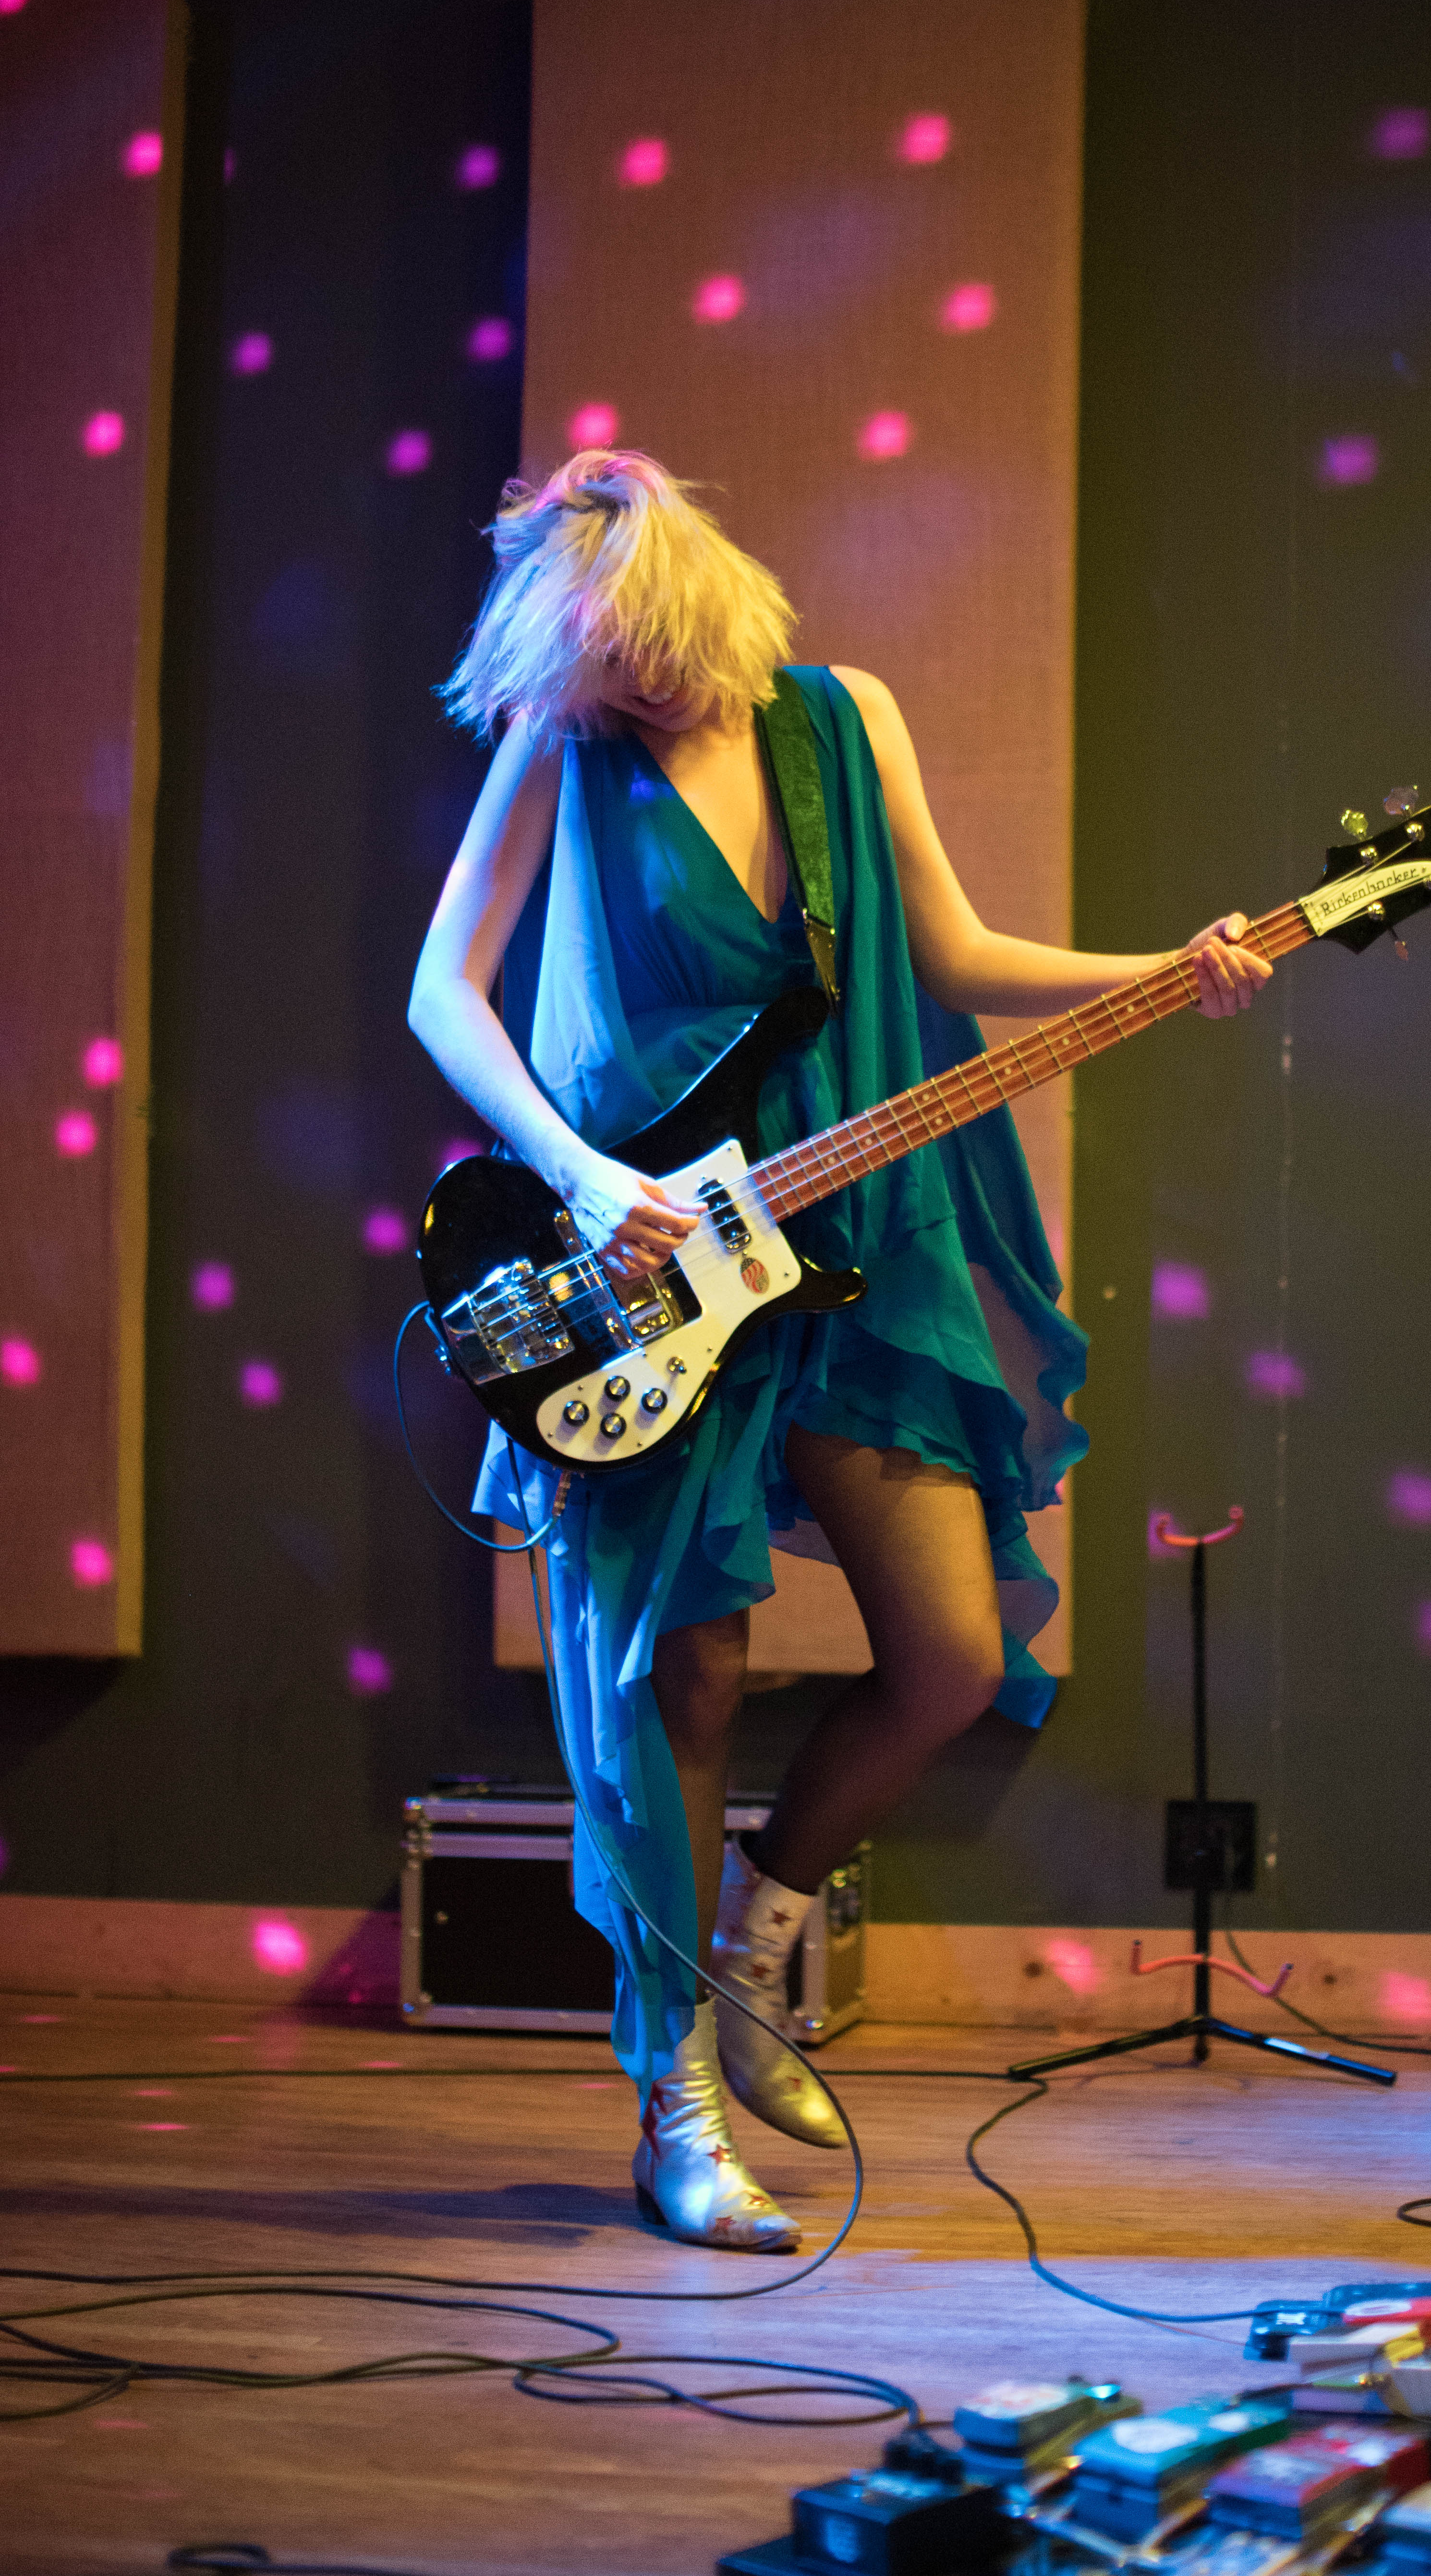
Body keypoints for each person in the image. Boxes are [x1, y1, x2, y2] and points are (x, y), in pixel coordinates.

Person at [410, 450, 1273, 2249]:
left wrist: (1162, 971)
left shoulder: (841, 719)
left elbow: (951, 953)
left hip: (850, 1244)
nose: (637, 694)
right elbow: (445, 990)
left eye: (650, 659)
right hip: (651, 1265)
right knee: (683, 1683)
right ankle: (677, 2105)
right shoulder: (565, 744)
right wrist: (583, 1181)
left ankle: (759, 1941)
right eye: (602, 673)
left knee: (952, 1653)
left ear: (704, 607)